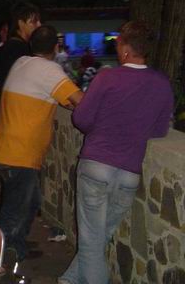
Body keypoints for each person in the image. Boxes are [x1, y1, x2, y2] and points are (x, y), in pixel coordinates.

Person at [59, 21, 173, 284]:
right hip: (129, 174)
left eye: (119, 43)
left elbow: (81, 119)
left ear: (125, 49)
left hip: (97, 166)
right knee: (98, 239)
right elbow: (159, 130)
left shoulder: (107, 77)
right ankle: (69, 280)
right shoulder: (162, 84)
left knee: (91, 242)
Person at [0, 26, 83, 264]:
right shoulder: (50, 71)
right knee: (14, 211)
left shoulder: (21, 62)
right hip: (19, 154)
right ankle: (0, 261)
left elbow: (57, 97)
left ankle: (16, 247)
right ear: (56, 47)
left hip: (6, 149)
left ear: (31, 46)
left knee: (30, 202)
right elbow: (81, 101)